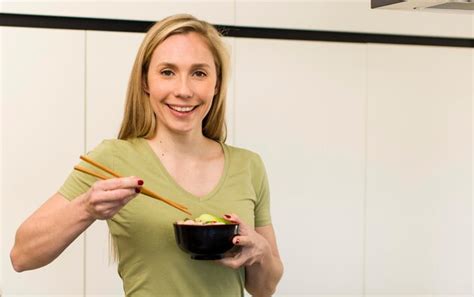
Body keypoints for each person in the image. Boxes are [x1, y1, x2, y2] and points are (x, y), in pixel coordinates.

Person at [10, 14, 283, 296]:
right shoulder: (113, 159)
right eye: (167, 72)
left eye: (199, 73)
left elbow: (264, 288)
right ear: (145, 81)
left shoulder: (249, 165)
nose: (183, 90)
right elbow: (21, 256)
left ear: (216, 83)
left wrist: (261, 252)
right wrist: (87, 208)